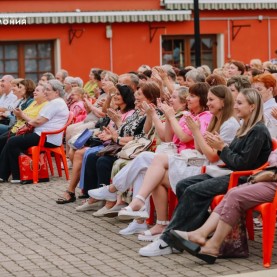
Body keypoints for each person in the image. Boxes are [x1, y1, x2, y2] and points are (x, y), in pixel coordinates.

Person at [138, 88, 272, 257]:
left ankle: (168, 240)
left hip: (242, 179)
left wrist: (222, 147)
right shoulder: (245, 127)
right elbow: (233, 158)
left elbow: (241, 164)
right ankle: (194, 229)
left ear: (252, 107)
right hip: (230, 173)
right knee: (183, 184)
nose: (235, 106)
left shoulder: (258, 131)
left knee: (194, 190)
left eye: (239, 103)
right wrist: (222, 147)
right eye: (236, 102)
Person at [115, 85, 239, 240]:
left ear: (223, 102)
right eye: (208, 99)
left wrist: (193, 131)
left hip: (211, 169)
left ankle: (127, 196)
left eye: (211, 100)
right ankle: (159, 223)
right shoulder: (213, 119)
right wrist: (166, 117)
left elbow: (211, 156)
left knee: (153, 161)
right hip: (196, 161)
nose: (208, 103)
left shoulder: (219, 121)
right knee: (154, 174)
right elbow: (172, 139)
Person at [0, 79, 69, 183]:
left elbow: (39, 121)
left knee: (12, 141)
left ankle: (18, 175)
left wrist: (25, 126)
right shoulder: (54, 102)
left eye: (48, 90)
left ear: (56, 92)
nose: (45, 92)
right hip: (42, 134)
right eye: (45, 89)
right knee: (12, 140)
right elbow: (38, 120)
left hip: (46, 137)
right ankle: (5, 175)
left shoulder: (56, 103)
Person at [0, 84, 48, 154]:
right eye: (34, 90)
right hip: (16, 127)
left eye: (37, 91)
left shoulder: (45, 105)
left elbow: (35, 121)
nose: (34, 92)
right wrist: (18, 114)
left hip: (25, 130)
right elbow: (21, 116)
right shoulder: (34, 102)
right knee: (2, 140)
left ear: (44, 94)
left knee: (5, 141)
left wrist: (20, 115)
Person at [252, 73, 277, 138]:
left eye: (259, 89)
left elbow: (271, 136)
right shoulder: (254, 106)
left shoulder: (275, 109)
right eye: (254, 89)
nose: (256, 92)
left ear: (270, 89)